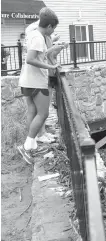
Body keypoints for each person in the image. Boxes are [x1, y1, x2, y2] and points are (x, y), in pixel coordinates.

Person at [17, 7, 60, 164]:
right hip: (36, 82)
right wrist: (50, 67)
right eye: (53, 28)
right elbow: (30, 59)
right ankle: (27, 146)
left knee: (33, 111)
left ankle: (32, 144)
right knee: (43, 114)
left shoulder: (33, 34)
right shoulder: (38, 37)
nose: (53, 32)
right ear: (49, 26)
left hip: (27, 81)